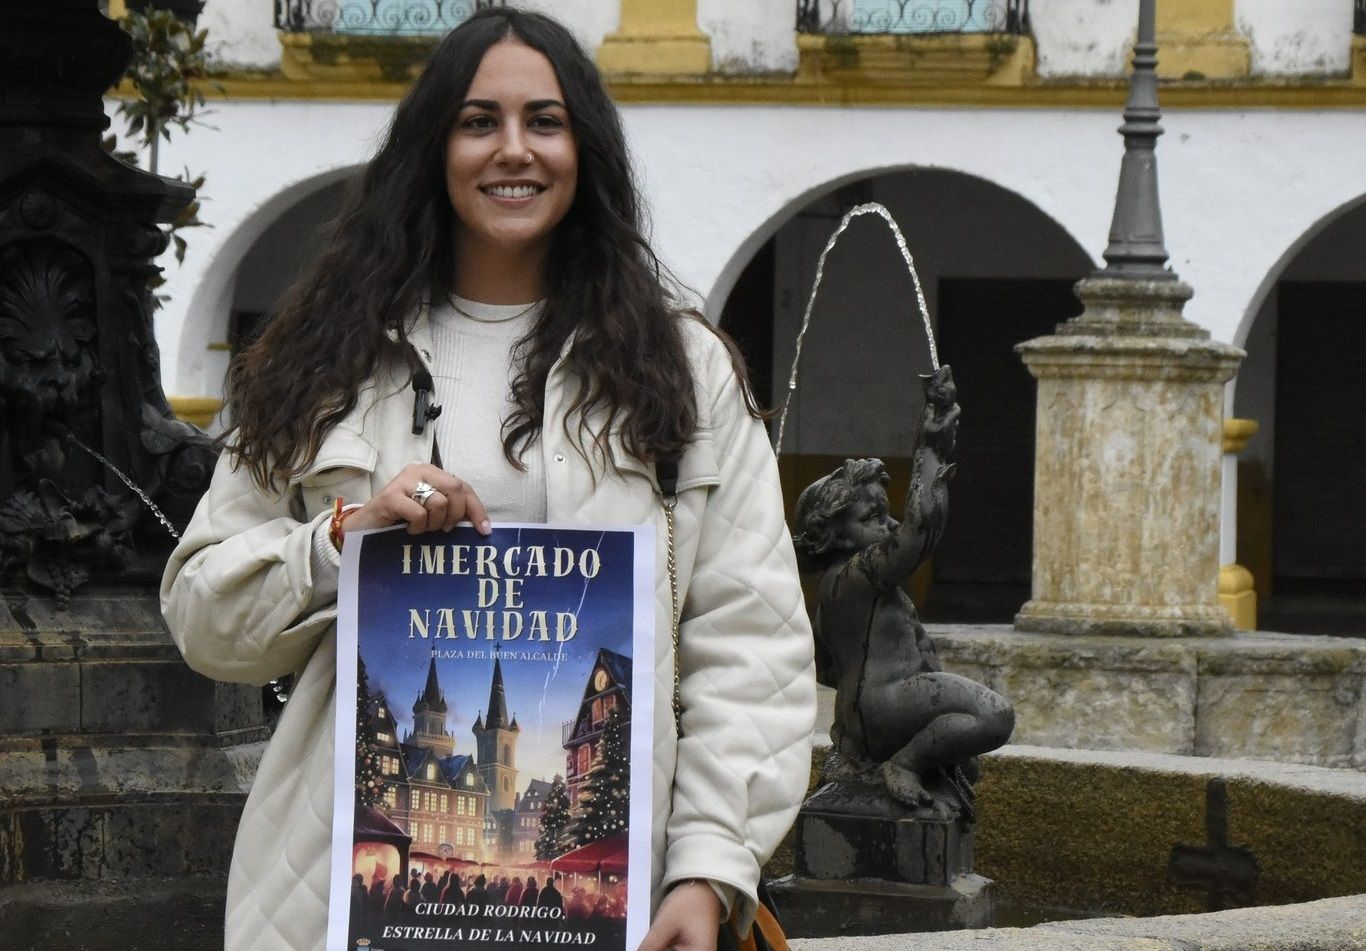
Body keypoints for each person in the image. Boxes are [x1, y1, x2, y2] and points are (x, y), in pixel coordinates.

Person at [160, 9, 814, 951]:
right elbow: (201, 615)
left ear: (584, 148)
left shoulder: (683, 371)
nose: (515, 150)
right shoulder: (320, 362)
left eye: (545, 121)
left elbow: (751, 647)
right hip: (335, 912)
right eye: (479, 122)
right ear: (433, 147)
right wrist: (342, 539)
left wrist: (709, 868)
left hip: (612, 916)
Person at [791, 367, 1013, 817]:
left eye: (886, 515)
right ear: (834, 536)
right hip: (885, 708)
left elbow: (825, 665)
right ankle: (905, 763)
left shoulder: (841, 592)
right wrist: (930, 448)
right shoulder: (856, 575)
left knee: (964, 764)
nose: (889, 525)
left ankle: (906, 762)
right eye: (873, 518)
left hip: (869, 714)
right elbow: (918, 536)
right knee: (995, 716)